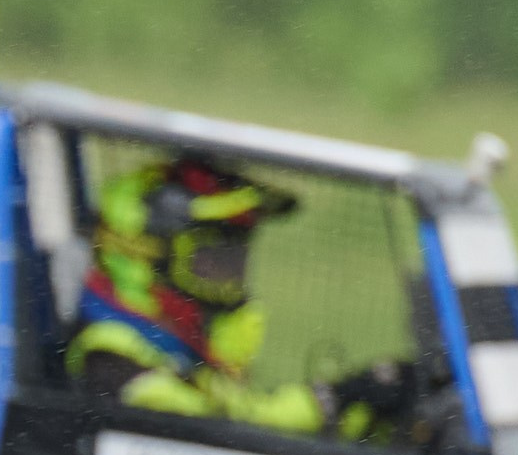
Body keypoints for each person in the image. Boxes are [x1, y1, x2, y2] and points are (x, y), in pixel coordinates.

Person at [68, 156, 379, 439]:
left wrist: (361, 400)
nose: (229, 275)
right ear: (146, 257)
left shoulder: (189, 355)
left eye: (236, 258)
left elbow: (243, 409)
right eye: (210, 259)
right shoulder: (108, 353)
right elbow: (218, 429)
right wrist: (330, 400)